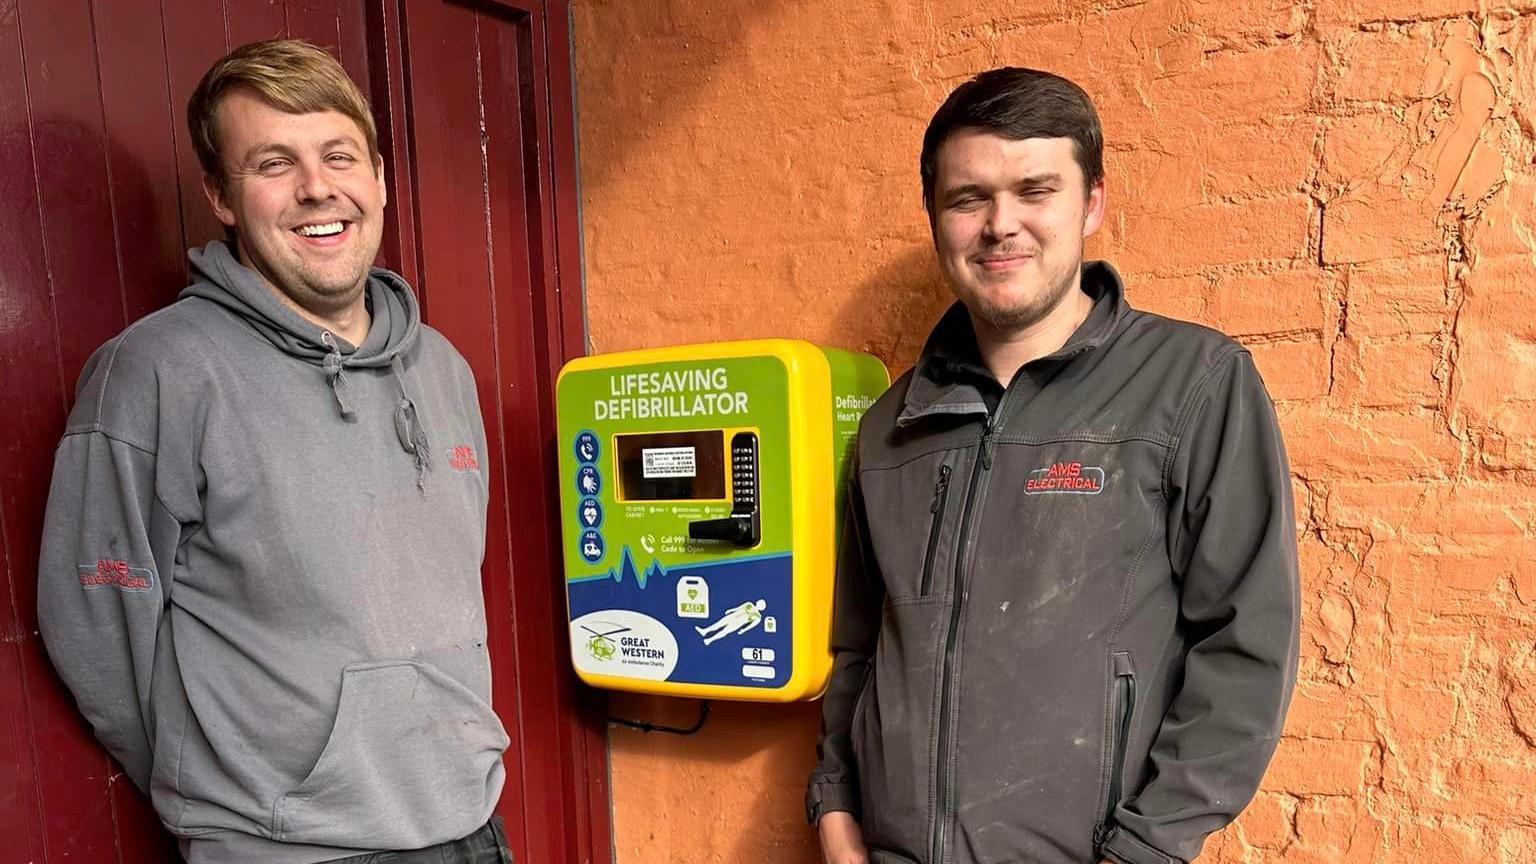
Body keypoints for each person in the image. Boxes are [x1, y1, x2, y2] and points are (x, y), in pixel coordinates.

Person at [806, 68, 1300, 864]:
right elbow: (857, 648)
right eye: (969, 198)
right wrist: (835, 814)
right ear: (935, 216)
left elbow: (1247, 646)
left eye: (1035, 190)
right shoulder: (889, 428)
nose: (1002, 225)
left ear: (1092, 203)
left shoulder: (1192, 384)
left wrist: (1147, 848)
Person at [37, 40, 511, 864]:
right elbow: (97, 629)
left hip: (469, 825)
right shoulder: (156, 373)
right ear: (220, 195)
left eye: (339, 155)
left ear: (380, 179)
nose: (317, 187)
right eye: (273, 163)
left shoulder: (442, 368)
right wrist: (235, 797)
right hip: (285, 849)